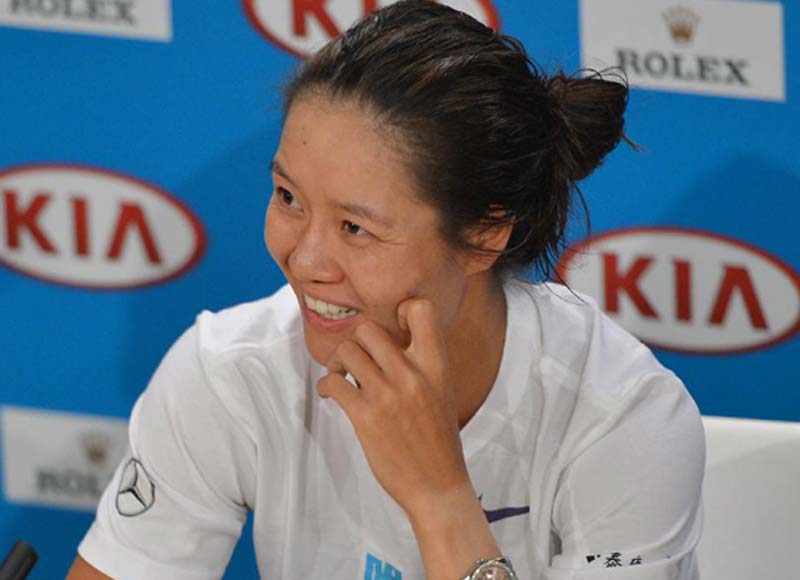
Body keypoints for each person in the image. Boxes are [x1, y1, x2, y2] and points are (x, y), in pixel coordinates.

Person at [67, 2, 705, 579]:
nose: (304, 259)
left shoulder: (623, 420)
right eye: (288, 197)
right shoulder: (230, 373)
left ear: (485, 234)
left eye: (356, 227)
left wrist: (440, 495)